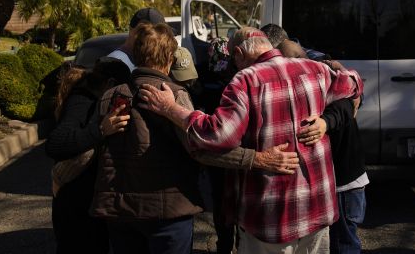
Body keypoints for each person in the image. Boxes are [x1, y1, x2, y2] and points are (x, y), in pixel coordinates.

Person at [139, 26, 363, 254]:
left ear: (238, 53)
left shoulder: (245, 81)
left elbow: (217, 135)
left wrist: (170, 108)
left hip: (270, 219)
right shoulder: (315, 70)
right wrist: (326, 119)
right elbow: (354, 82)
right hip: (317, 212)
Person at [90, 23, 301, 254]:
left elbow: (97, 148)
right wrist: (257, 159)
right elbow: (202, 147)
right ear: (170, 58)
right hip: (167, 213)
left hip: (118, 212)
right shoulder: (174, 94)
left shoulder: (111, 94)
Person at [278, 38, 368, 254]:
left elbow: (346, 105)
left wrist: (325, 122)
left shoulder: (325, 77)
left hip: (343, 183)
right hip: (335, 183)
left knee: (343, 244)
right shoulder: (323, 73)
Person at [45, 57, 132, 254]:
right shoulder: (82, 102)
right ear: (109, 84)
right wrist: (101, 130)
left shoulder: (94, 100)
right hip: (75, 205)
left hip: (86, 205)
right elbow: (55, 144)